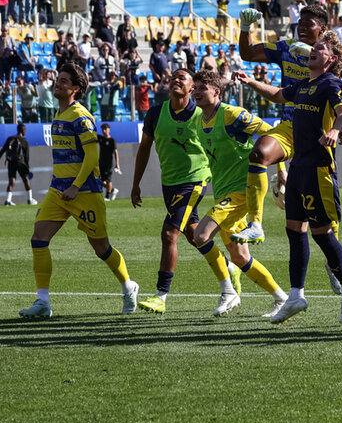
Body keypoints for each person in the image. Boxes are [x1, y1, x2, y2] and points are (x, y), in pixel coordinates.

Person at [236, 32, 342, 325]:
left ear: (331, 60)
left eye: (321, 48)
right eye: (314, 47)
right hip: (298, 168)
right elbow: (279, 95)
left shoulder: (332, 83)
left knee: (321, 233)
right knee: (294, 231)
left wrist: (335, 130)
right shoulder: (303, 85)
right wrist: (251, 82)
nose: (314, 50)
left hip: (319, 169)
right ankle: (296, 296)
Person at [19, 63, 140, 319]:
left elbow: (92, 154)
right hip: (58, 191)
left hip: (83, 192)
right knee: (38, 238)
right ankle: (43, 302)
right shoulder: (59, 114)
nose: (58, 83)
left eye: (64, 81)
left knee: (101, 249)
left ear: (75, 89)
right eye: (58, 79)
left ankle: (128, 285)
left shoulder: (80, 115)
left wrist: (75, 186)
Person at [231, 4, 342, 255]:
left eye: (310, 25)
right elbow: (248, 54)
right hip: (289, 125)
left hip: (318, 132)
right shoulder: (286, 48)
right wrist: (244, 28)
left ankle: (334, 259)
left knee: (322, 218)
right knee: (259, 153)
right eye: (300, 24)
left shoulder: (328, 53)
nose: (303, 28)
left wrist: (311, 52)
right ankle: (255, 224)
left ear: (323, 29)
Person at [131, 68, 239, 315]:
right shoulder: (157, 113)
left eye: (183, 77)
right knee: (194, 235)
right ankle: (228, 270)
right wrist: (135, 183)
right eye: (174, 76)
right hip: (169, 182)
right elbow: (144, 148)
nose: (176, 79)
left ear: (193, 88)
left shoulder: (202, 114)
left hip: (194, 181)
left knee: (169, 234)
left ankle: (161, 295)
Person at [189, 70, 289, 318]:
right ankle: (281, 298)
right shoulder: (199, 120)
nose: (197, 92)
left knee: (200, 236)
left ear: (217, 92)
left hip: (243, 190)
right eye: (196, 88)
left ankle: (228, 287)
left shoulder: (233, 115)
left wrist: (281, 169)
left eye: (203, 87)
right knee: (240, 256)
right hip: (223, 192)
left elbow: (273, 135)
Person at [0, 122, 37, 206]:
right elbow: (26, 156)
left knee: (11, 181)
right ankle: (29, 200)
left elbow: (2, 151)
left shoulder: (10, 138)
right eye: (25, 130)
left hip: (11, 162)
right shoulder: (25, 141)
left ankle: (7, 201)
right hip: (21, 162)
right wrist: (27, 167)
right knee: (26, 180)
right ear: (23, 130)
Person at [97, 122, 120, 201]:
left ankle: (107, 196)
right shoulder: (100, 138)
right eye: (102, 129)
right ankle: (113, 190)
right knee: (102, 182)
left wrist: (117, 164)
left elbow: (115, 152)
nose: (104, 131)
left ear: (109, 130)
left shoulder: (112, 140)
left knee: (108, 180)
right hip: (101, 163)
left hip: (109, 164)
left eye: (105, 129)